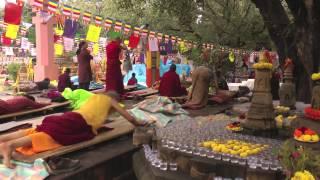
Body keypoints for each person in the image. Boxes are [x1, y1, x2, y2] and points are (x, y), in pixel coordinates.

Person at [0, 92, 145, 168]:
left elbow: (88, 113)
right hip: (77, 122)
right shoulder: (110, 100)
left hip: (71, 116)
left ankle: (4, 139)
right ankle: (10, 146)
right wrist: (140, 124)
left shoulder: (94, 97)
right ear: (114, 98)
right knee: (51, 136)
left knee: (42, 129)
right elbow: (130, 118)